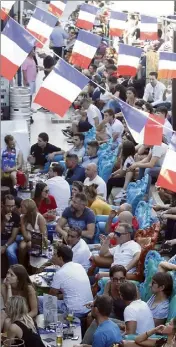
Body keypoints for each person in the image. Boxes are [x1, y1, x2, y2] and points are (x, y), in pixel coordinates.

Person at [38, 245, 93, 317]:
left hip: (74, 312)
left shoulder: (60, 273)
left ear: (60, 258)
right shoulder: (79, 266)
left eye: (54, 255)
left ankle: (48, 322)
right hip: (88, 308)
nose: (52, 256)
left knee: (40, 300)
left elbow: (51, 297)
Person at [82, 265, 127, 346]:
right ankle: (90, 342)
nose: (118, 282)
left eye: (122, 279)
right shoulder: (109, 285)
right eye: (115, 279)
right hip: (111, 313)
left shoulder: (129, 288)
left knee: (97, 321)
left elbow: (134, 307)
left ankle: (84, 343)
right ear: (111, 278)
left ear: (125, 278)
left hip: (123, 318)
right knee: (90, 316)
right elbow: (104, 301)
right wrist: (94, 303)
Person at [19, 199, 47, 265]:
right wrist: (22, 223)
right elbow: (25, 236)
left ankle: (31, 265)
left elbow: (44, 236)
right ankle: (21, 265)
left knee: (29, 244)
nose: (20, 208)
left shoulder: (39, 218)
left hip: (40, 240)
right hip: (28, 238)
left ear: (28, 208)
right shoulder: (22, 217)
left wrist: (31, 239)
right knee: (21, 246)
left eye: (22, 207)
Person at [1, 194, 20, 265]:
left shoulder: (16, 216)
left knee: (10, 252)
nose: (11, 208)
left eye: (13, 206)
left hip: (10, 241)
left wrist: (5, 246)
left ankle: (15, 272)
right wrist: (4, 221)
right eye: (8, 206)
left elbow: (13, 236)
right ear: (3, 204)